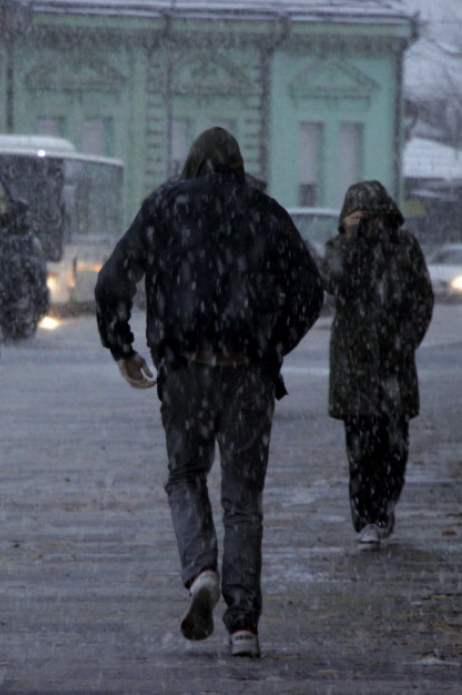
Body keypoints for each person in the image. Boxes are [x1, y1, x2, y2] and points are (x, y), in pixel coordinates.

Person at [95, 127, 323, 658]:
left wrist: (122, 345)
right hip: (248, 374)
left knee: (185, 475)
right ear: (237, 166)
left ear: (192, 165)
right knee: (244, 500)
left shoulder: (164, 207)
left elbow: (112, 281)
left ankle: (201, 571)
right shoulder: (266, 212)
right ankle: (243, 624)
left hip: (186, 370)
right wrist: (273, 346)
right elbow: (310, 290)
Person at [320, 180, 433, 549]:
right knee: (360, 449)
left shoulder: (405, 248)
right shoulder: (340, 248)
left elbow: (421, 299)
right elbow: (335, 283)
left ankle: (385, 508)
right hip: (355, 368)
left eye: (376, 217)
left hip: (394, 367)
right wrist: (351, 241)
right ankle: (367, 517)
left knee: (394, 447)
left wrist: (403, 342)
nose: (373, 225)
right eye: (363, 218)